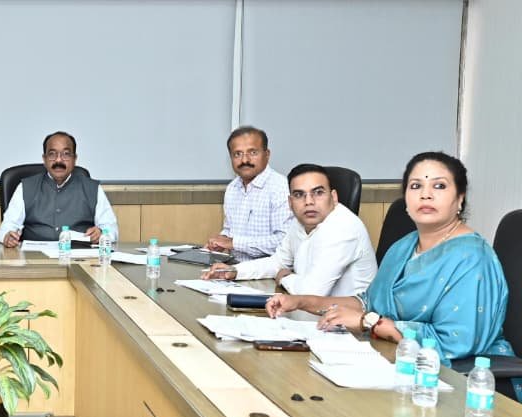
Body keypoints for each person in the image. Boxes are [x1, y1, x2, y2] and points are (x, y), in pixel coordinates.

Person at [267, 152, 516, 389]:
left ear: (460, 198)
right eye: (416, 186)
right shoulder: (403, 247)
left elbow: (455, 342)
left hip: (462, 381)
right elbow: (366, 303)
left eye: (439, 186)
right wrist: (300, 302)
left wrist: (370, 323)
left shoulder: (472, 257)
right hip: (395, 361)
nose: (426, 195)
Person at [202, 163, 376, 297]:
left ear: (334, 197)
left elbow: (311, 293)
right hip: (310, 314)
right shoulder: (300, 221)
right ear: (290, 203)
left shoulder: (343, 228)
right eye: (299, 195)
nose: (309, 202)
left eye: (318, 192)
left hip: (346, 325)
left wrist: (285, 277)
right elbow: (278, 262)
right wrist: (235, 271)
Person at [0, 131, 118, 247]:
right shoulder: (25, 187)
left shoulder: (92, 189)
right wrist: (8, 237)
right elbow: (7, 227)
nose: (58, 160)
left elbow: (111, 229)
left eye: (66, 154)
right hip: (35, 257)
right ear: (44, 159)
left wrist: (102, 233)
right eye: (52, 154)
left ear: (74, 159)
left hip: (78, 257)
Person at [206, 126, 294, 262]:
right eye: (237, 154)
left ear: (267, 154)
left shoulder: (280, 187)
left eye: (252, 152)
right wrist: (220, 241)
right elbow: (229, 231)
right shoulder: (232, 188)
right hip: (234, 267)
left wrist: (234, 243)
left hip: (268, 271)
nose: (244, 160)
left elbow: (284, 241)